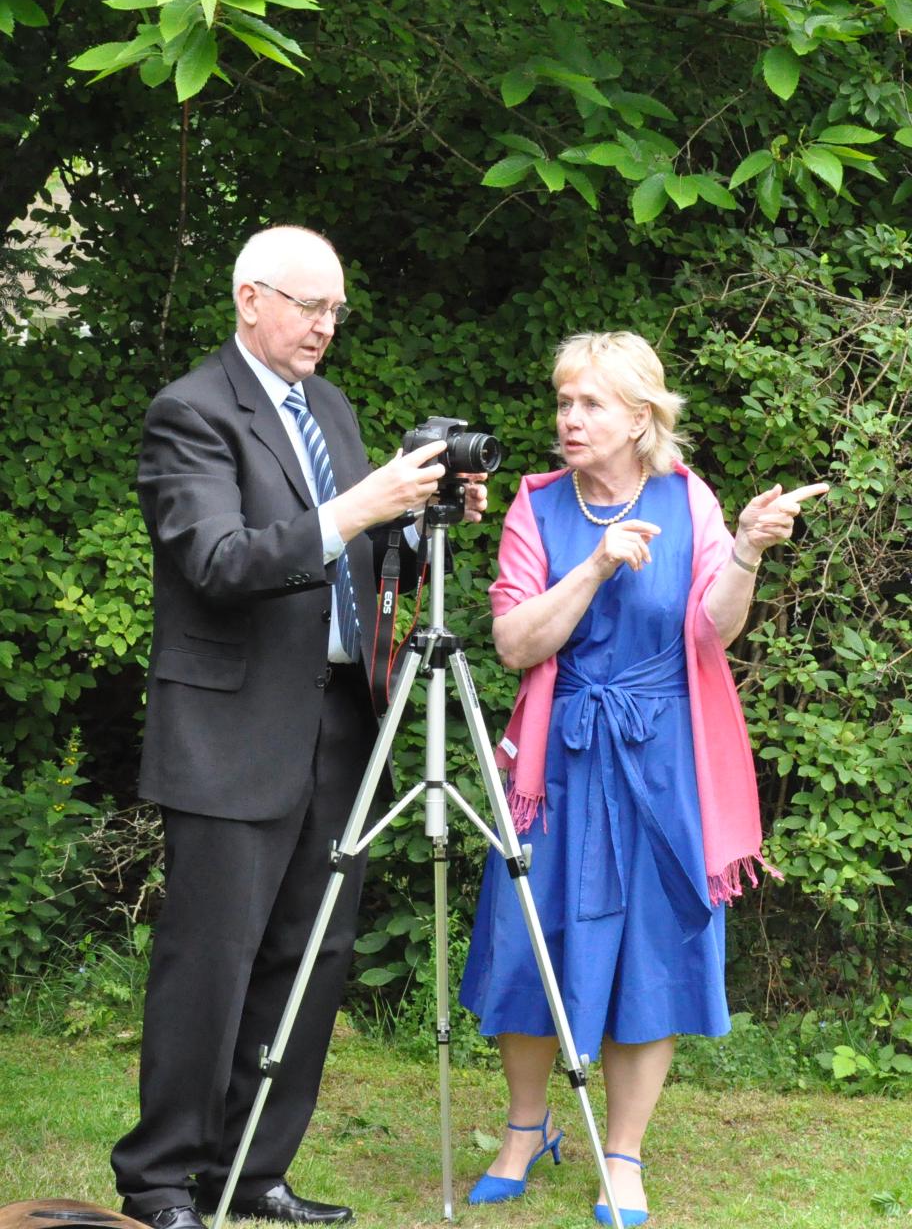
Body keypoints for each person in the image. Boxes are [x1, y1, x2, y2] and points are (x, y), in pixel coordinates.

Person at [111, 225, 486, 1229]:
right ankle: (160, 1179)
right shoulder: (191, 414)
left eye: (336, 310)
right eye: (310, 305)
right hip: (230, 731)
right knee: (213, 955)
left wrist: (414, 517)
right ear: (249, 299)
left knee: (313, 952)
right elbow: (219, 562)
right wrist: (357, 507)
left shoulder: (330, 408)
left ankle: (252, 1168)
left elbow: (360, 565)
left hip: (336, 719)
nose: (326, 326)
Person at [459, 331, 827, 1226]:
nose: (568, 419)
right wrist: (592, 566)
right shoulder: (535, 506)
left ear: (639, 417)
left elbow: (714, 631)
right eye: (563, 402)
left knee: (653, 954)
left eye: (589, 404)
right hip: (557, 761)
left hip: (662, 762)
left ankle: (621, 1154)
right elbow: (514, 645)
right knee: (528, 937)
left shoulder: (687, 499)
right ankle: (524, 1129)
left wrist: (743, 549)